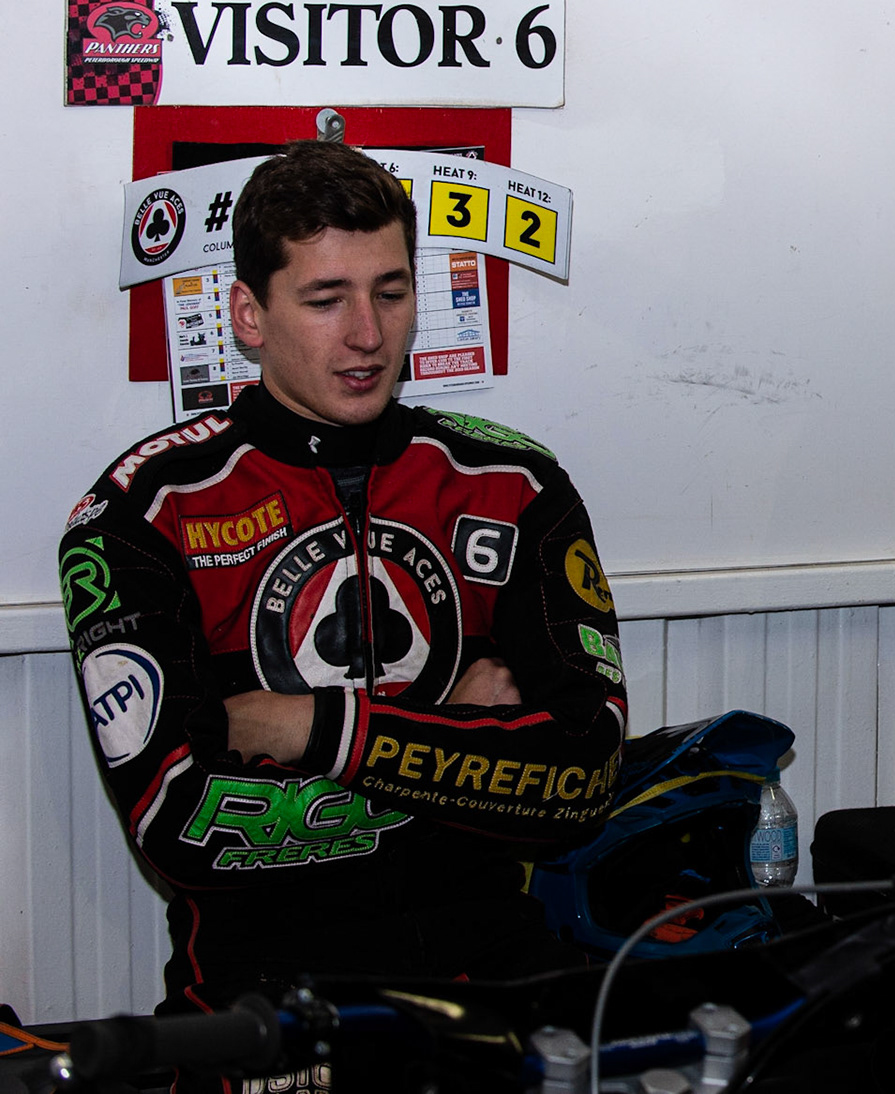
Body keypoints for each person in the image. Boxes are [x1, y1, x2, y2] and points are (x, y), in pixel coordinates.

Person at [58, 142, 628, 1033]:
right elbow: (182, 824)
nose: (368, 335)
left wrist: (303, 727)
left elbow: (584, 777)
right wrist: (473, 756)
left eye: (391, 293)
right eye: (326, 300)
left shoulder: (512, 483)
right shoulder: (139, 512)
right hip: (259, 1000)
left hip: (492, 981)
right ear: (248, 314)